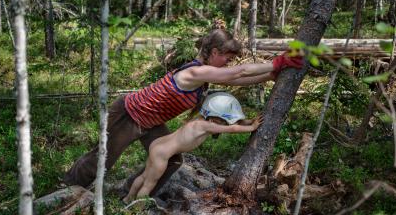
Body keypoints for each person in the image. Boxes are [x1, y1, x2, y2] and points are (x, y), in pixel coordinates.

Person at [63, 29, 303, 193]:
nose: (229, 62)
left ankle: (133, 194)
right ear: (215, 52)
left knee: (171, 159)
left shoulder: (204, 75)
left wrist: (270, 75)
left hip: (151, 122)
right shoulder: (195, 72)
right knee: (102, 158)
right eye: (227, 57)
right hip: (129, 114)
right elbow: (237, 74)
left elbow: (236, 80)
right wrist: (277, 63)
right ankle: (67, 189)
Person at [123, 92, 263, 203]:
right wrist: (252, 127)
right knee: (149, 183)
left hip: (158, 145)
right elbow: (232, 128)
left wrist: (250, 121)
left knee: (144, 176)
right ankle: (137, 209)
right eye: (222, 121)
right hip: (162, 153)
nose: (224, 124)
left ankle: (128, 199)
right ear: (214, 117)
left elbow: (234, 122)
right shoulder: (205, 125)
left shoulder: (202, 120)